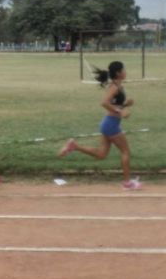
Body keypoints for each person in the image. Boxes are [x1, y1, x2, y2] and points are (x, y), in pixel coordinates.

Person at [58, 61, 140, 190]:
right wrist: (120, 111)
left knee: (101, 154)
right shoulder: (114, 87)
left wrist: (125, 105)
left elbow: (113, 104)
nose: (125, 72)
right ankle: (127, 183)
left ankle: (74, 146)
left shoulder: (118, 86)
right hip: (111, 124)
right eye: (123, 70)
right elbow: (104, 103)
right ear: (118, 73)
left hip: (108, 124)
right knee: (125, 152)